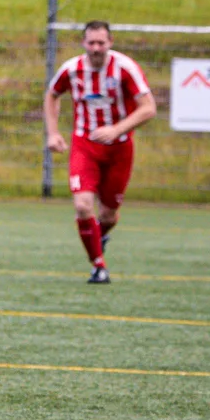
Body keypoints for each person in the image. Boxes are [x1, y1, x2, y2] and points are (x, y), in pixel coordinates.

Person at [43, 21, 154, 284]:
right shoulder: (71, 69)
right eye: (91, 42)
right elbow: (51, 95)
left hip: (119, 148)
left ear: (110, 43)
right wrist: (53, 133)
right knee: (83, 205)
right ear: (84, 43)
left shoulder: (125, 68)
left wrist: (117, 130)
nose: (95, 48)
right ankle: (98, 266)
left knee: (108, 215)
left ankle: (98, 236)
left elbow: (148, 108)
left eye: (100, 43)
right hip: (85, 145)